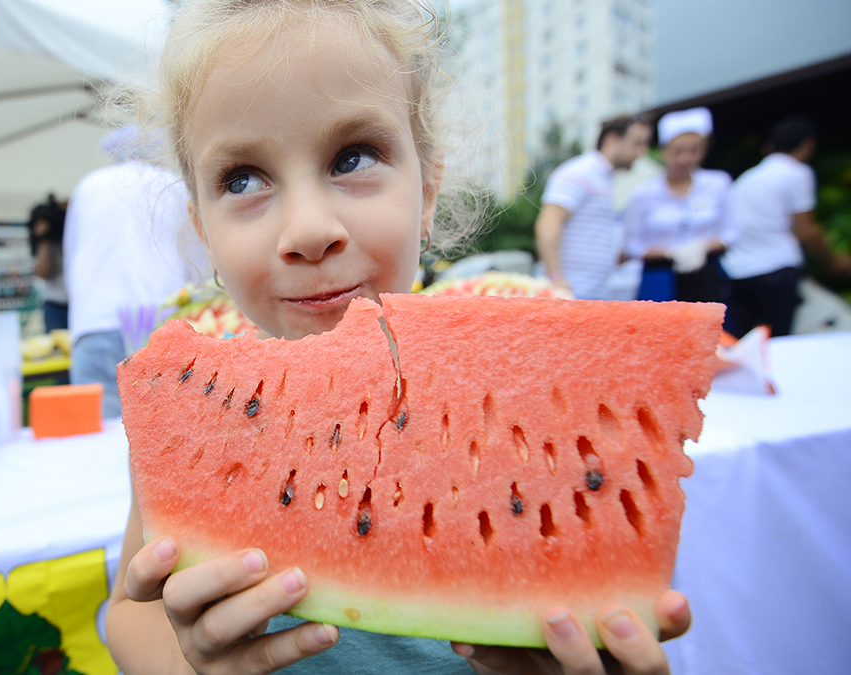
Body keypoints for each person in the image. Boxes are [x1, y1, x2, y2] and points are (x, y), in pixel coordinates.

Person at [105, 2, 690, 674]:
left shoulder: (525, 407)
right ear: (203, 230)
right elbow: (130, 610)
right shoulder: (194, 414)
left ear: (428, 189)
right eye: (242, 179)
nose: (308, 230)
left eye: (353, 157)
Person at [63, 126, 206, 418]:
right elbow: (198, 263)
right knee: (164, 423)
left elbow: (72, 254)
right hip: (159, 320)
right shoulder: (170, 185)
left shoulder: (88, 185)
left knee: (98, 428)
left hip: (94, 323)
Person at [723, 117, 851, 337]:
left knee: (750, 341)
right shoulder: (797, 172)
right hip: (777, 270)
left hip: (737, 273)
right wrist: (833, 262)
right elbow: (806, 232)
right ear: (808, 144)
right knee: (781, 339)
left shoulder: (747, 178)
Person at [622, 107, 736, 303]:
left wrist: (701, 247)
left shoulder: (718, 183)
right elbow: (632, 245)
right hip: (659, 278)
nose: (685, 158)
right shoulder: (643, 194)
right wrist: (671, 253)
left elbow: (731, 232)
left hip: (706, 275)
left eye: (694, 150)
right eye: (678, 151)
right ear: (664, 150)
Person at [535, 115, 652, 299]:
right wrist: (556, 279)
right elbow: (548, 224)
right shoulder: (580, 172)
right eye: (636, 143)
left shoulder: (603, 178)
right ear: (611, 140)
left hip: (589, 292)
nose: (642, 151)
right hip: (569, 293)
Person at [28, 196, 70, 332]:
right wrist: (44, 237)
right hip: (56, 305)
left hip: (80, 304)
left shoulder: (77, 237)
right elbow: (43, 272)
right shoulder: (45, 243)